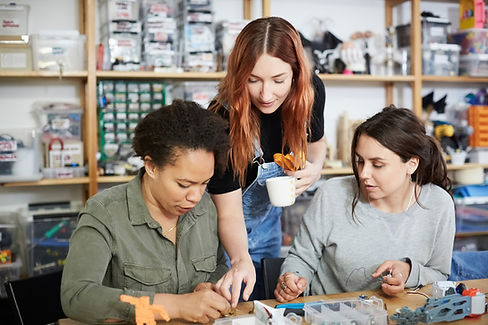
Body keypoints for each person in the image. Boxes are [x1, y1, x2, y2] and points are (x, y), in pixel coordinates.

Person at [61, 100, 232, 324]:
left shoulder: (205, 208)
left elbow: (219, 265)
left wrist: (209, 287)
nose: (196, 196)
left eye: (204, 183)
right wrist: (175, 305)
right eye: (183, 184)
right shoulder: (104, 213)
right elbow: (76, 297)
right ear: (151, 167)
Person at [275, 105, 455, 302]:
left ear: (411, 164)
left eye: (377, 165)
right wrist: (293, 279)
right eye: (360, 161)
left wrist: (409, 272)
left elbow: (440, 275)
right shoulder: (332, 193)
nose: (363, 174)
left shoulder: (439, 204)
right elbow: (301, 258)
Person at [208, 16, 327, 302]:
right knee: (228, 306)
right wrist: (239, 259)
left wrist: (316, 168)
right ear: (239, 75)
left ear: (296, 72)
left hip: (269, 222)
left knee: (265, 303)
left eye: (278, 80)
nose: (266, 94)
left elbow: (318, 144)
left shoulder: (310, 92)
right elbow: (228, 212)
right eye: (253, 80)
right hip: (221, 229)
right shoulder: (222, 117)